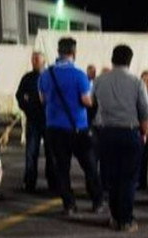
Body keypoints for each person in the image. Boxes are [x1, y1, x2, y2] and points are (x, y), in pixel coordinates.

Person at [39, 36, 103, 217]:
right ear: (74, 53)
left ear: (58, 52)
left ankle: (69, 205)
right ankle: (97, 201)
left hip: (53, 127)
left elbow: (43, 100)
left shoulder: (46, 74)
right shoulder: (79, 75)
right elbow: (86, 101)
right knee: (89, 166)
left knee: (61, 168)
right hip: (78, 128)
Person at [93, 45, 148, 232]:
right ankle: (125, 220)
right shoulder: (136, 82)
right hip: (129, 133)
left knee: (112, 178)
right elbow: (146, 111)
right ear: (130, 61)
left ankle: (114, 216)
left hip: (106, 133)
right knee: (128, 179)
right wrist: (143, 132)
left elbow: (92, 105)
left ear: (112, 59)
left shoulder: (99, 81)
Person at [16, 51, 55, 193]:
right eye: (33, 60)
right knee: (31, 152)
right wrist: (26, 107)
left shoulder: (50, 77)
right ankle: (29, 182)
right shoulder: (27, 78)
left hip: (48, 120)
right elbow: (20, 95)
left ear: (43, 62)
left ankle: (53, 182)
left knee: (51, 153)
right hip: (33, 120)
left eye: (37, 60)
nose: (34, 62)